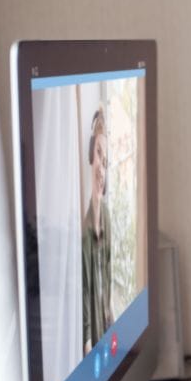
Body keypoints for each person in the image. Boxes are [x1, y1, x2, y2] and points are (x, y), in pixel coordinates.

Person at [82, 107, 113, 354]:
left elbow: (109, 268)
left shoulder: (108, 219)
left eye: (106, 161)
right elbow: (84, 293)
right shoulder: (83, 231)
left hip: (106, 325)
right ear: (90, 155)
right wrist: (87, 340)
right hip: (92, 338)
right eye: (98, 154)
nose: (101, 168)